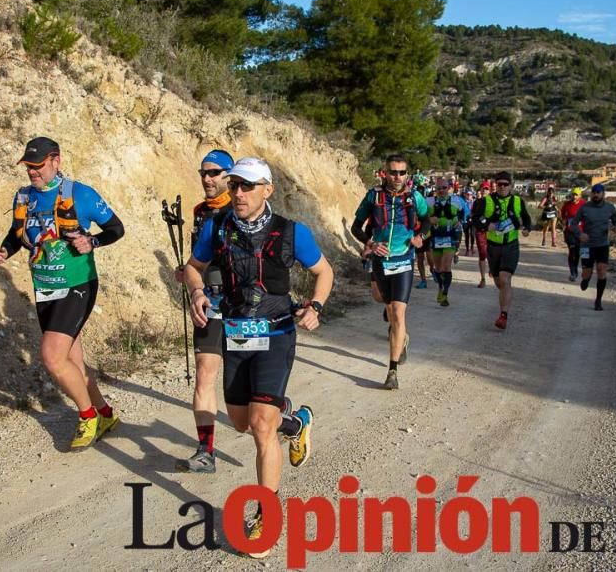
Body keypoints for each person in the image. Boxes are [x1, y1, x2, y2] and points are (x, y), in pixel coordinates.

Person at [183, 157, 332, 559]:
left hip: (278, 333)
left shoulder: (290, 232)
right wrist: (197, 292)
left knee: (262, 426)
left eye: (248, 186)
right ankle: (296, 421)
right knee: (241, 422)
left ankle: (266, 513)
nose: (239, 193)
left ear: (268, 189)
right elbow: (192, 268)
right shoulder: (217, 227)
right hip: (236, 334)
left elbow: (324, 272)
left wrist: (315, 306)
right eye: (236, 185)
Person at [0, 137, 125, 451]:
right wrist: (3, 252)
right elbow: (16, 233)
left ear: (55, 161)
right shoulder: (24, 196)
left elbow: (116, 228)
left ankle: (87, 416)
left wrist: (93, 242)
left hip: (78, 284)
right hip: (46, 286)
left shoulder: (81, 194)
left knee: (52, 357)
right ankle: (105, 413)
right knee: (72, 359)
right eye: (28, 167)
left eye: (38, 166)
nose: (32, 173)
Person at [174, 149, 233, 473]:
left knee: (248, 398)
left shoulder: (242, 210)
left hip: (242, 308)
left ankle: (291, 423)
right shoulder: (199, 212)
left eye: (215, 173)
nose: (207, 179)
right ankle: (205, 451)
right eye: (203, 173)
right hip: (209, 303)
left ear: (230, 175)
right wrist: (190, 274)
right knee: (204, 377)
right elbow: (200, 258)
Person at [351, 154, 429, 390]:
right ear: (385, 173)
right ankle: (400, 335)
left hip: (404, 258)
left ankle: (392, 371)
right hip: (380, 260)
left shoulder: (415, 197)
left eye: (401, 172)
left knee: (397, 311)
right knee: (380, 299)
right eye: (393, 172)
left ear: (408, 174)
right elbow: (356, 227)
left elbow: (427, 222)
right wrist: (371, 243)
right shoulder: (374, 196)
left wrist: (419, 237)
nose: (397, 177)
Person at [473, 171, 531, 329]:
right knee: (499, 282)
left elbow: (526, 218)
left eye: (506, 184)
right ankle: (507, 294)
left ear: (511, 186)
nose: (502, 187)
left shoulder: (518, 201)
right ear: (495, 185)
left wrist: (526, 228)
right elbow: (476, 218)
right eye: (500, 184)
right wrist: (486, 225)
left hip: (511, 246)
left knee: (505, 279)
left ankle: (503, 315)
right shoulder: (486, 201)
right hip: (493, 247)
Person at [570, 183, 616, 310]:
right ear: (591, 194)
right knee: (587, 273)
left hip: (603, 244)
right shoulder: (584, 208)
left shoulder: (610, 207)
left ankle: (598, 301)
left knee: (602, 271)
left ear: (603, 194)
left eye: (598, 192)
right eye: (594, 192)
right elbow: (573, 224)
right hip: (586, 246)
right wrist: (580, 234)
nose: (596, 194)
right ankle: (585, 279)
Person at [429, 180, 466, 306]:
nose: (441, 190)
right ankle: (440, 287)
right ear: (435, 189)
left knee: (446, 267)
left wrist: (460, 221)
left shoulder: (457, 200)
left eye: (444, 187)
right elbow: (420, 217)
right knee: (438, 268)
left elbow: (465, 213)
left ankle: (445, 293)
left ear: (449, 188)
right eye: (439, 188)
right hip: (436, 237)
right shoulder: (429, 201)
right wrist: (429, 220)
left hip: (450, 237)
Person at [560, 187, 586, 282]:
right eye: (573, 194)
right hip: (570, 232)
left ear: (580, 195)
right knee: (572, 252)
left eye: (576, 195)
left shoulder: (584, 204)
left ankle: (575, 269)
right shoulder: (567, 204)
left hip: (580, 232)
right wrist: (564, 221)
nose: (574, 196)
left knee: (578, 252)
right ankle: (573, 273)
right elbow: (563, 213)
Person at [470, 181, 492, 288]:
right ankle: (483, 278)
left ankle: (492, 268)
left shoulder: (493, 202)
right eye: (483, 188)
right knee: (482, 254)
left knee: (492, 253)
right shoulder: (477, 202)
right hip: (480, 231)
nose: (485, 190)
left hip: (491, 231)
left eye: (487, 189)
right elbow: (472, 214)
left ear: (490, 190)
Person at [462, 188, 476, 256]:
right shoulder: (463, 202)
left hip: (473, 220)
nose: (469, 196)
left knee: (473, 234)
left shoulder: (474, 202)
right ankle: (467, 249)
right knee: (466, 235)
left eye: (470, 194)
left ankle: (472, 247)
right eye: (468, 194)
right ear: (465, 195)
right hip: (465, 221)